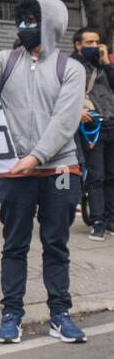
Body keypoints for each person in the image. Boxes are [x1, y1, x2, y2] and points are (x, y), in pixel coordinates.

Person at [0, 0, 87, 344]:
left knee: (56, 243)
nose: (26, 26)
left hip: (61, 170)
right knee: (14, 244)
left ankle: (60, 314)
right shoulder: (3, 61)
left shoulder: (71, 68)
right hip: (13, 171)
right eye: (22, 19)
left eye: (34, 19)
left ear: (51, 23)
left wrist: (35, 158)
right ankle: (11, 314)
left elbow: (65, 122)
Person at [72, 25, 113, 241]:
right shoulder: (71, 67)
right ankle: (97, 220)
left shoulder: (102, 65)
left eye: (97, 42)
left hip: (110, 122)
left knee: (111, 176)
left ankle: (110, 218)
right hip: (91, 126)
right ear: (78, 45)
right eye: (89, 42)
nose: (94, 46)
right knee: (96, 176)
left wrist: (106, 62)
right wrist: (77, 110)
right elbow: (63, 95)